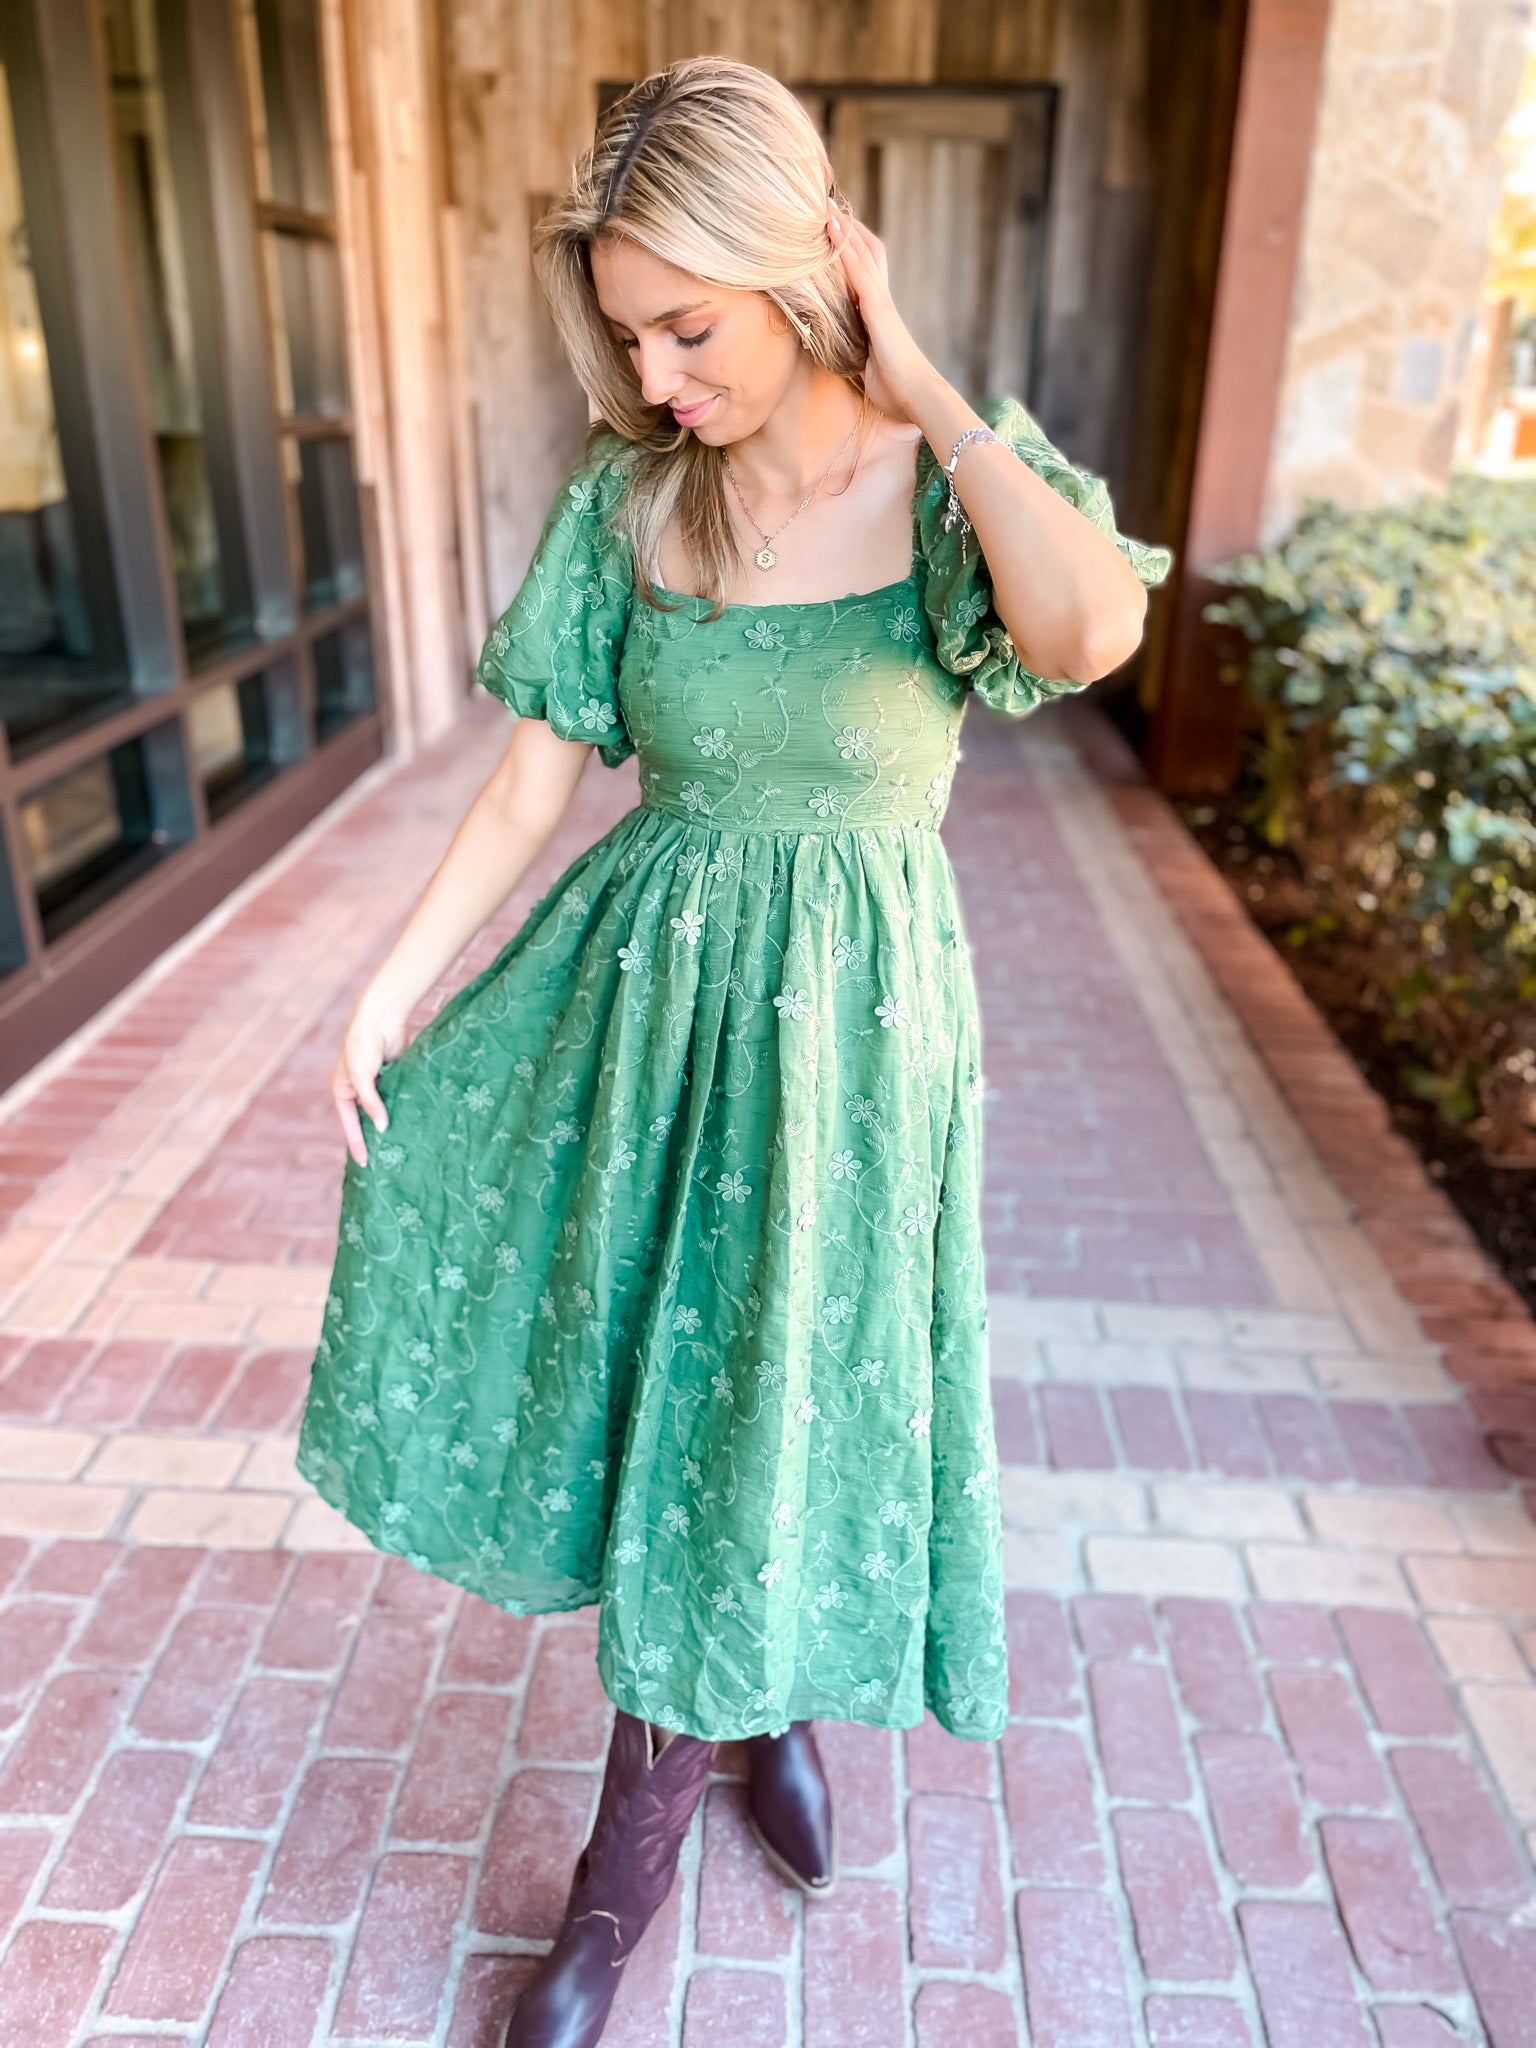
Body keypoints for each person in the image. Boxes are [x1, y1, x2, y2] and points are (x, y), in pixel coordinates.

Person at [295, 53, 1172, 2048]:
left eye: (689, 324)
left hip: (857, 1050)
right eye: (629, 333)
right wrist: (389, 983)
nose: (659, 370)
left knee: (772, 1393)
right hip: (642, 1021)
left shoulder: (953, 491)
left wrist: (930, 385)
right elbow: (530, 791)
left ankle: (618, 1891)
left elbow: (1091, 629)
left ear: (804, 272)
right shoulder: (634, 501)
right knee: (679, 1402)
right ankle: (746, 1731)